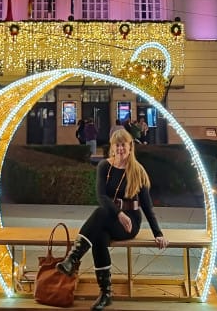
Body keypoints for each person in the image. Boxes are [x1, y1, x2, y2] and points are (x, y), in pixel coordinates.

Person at [56, 128, 169, 310]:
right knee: (99, 235)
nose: (120, 148)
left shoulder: (138, 171)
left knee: (101, 213)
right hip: (114, 217)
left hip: (130, 223)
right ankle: (105, 293)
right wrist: (119, 213)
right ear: (112, 147)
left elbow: (147, 206)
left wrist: (158, 233)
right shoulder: (104, 167)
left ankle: (73, 258)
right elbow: (101, 196)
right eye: (117, 145)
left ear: (130, 146)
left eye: (123, 144)